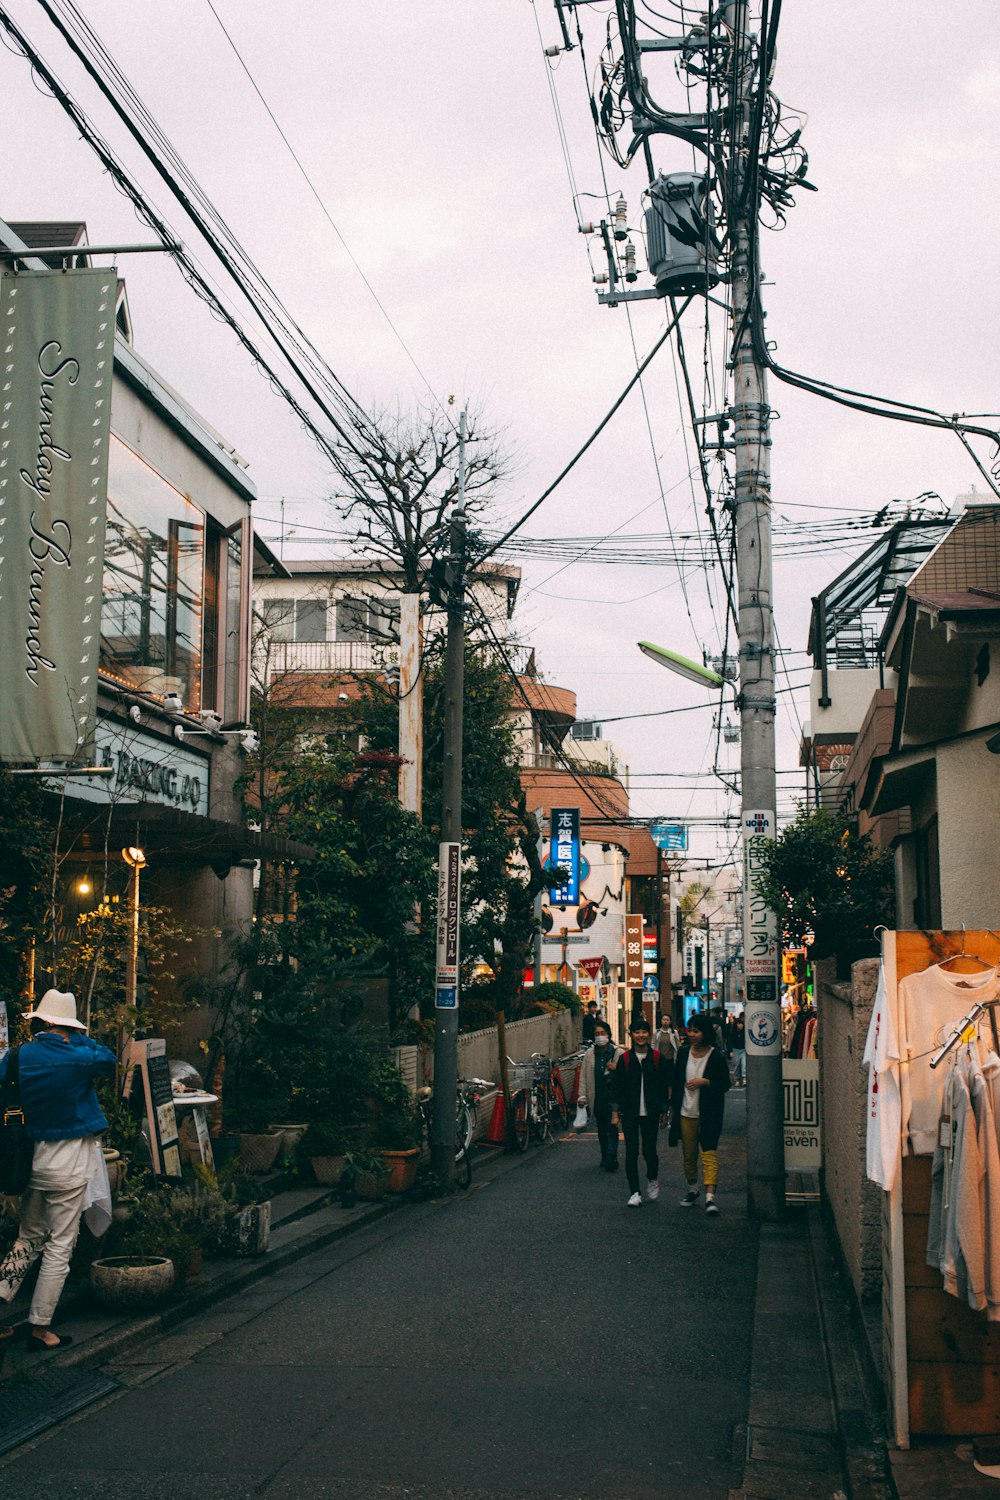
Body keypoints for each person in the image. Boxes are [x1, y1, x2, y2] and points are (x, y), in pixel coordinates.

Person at [0, 989, 116, 1349]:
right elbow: (109, 1059)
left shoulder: (18, 1056)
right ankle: (40, 1327)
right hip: (68, 1165)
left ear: (40, 1021)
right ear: (69, 1025)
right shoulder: (82, 1056)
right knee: (60, 1245)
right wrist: (81, 1036)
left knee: (28, 1237)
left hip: (27, 1162)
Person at [668, 1012, 731, 1215]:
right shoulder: (684, 1053)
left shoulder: (716, 1057)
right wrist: (671, 1107)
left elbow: (725, 1084)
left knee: (709, 1153)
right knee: (689, 1154)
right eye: (690, 1030)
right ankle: (693, 1188)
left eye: (696, 1030)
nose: (692, 1034)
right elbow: (677, 1080)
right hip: (686, 1112)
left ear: (705, 1033)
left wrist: (706, 1082)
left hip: (709, 1112)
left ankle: (710, 1196)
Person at [611, 1018, 670, 1207]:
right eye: (637, 1032)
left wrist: (664, 1111)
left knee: (649, 1150)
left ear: (649, 1034)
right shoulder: (625, 1059)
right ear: (631, 1035)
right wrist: (615, 1112)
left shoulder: (657, 1058)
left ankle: (652, 1178)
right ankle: (634, 1192)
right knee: (631, 1151)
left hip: (651, 1112)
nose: (641, 1035)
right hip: (630, 1112)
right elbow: (617, 1087)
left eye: (644, 1031)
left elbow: (663, 1086)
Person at [575, 1018, 621, 1171]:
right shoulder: (589, 1054)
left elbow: (627, 1075)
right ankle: (604, 1154)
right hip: (597, 1096)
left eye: (603, 1033)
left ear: (608, 1035)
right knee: (601, 1128)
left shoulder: (618, 1053)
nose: (600, 1036)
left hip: (613, 1097)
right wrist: (582, 1096)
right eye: (597, 1034)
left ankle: (611, 1155)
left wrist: (616, 1068)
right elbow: (584, 1076)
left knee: (612, 1127)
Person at [728, 1013, 746, 1087]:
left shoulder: (745, 1032)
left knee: (744, 1064)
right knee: (736, 1065)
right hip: (735, 1049)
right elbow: (729, 1042)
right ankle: (737, 1079)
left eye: (741, 1024)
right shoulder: (733, 1032)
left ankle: (744, 1078)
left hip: (743, 1050)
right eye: (738, 1024)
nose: (740, 1025)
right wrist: (730, 1051)